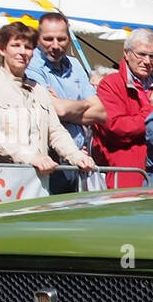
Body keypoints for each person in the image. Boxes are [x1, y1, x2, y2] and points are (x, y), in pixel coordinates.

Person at [0, 22, 95, 178]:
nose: (22, 52)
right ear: (2, 49)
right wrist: (30, 158)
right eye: (15, 45)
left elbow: (56, 131)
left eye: (27, 47)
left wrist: (76, 156)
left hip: (34, 182)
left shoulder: (39, 90)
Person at [25, 11, 106, 193]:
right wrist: (84, 104)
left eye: (61, 39)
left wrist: (63, 105)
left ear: (69, 38)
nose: (55, 45)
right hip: (48, 161)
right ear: (38, 38)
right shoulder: (32, 65)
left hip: (77, 160)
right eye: (48, 39)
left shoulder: (75, 65)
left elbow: (100, 112)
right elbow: (59, 110)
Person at [95, 28, 153, 187]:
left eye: (152, 56)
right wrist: (151, 109)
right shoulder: (110, 84)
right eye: (142, 54)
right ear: (126, 53)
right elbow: (117, 128)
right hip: (127, 174)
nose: (147, 61)